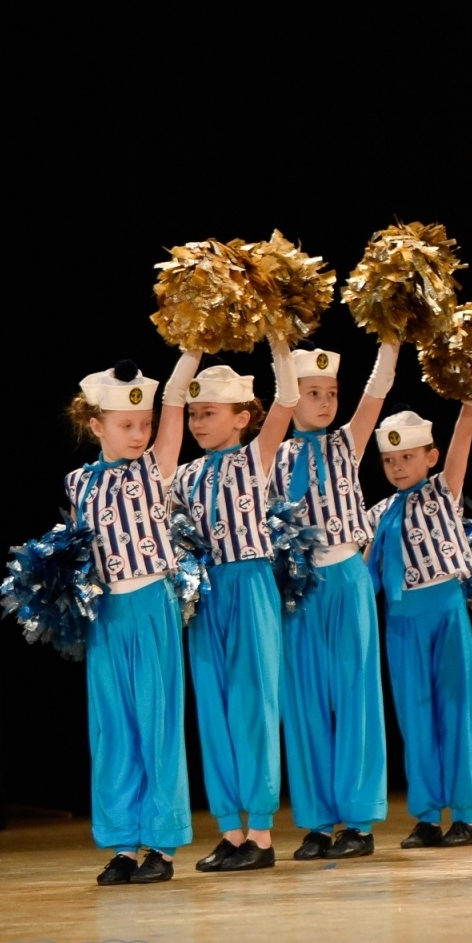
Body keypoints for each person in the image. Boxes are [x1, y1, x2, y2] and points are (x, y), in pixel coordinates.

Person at [68, 354, 198, 885]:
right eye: (126, 425)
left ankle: (161, 847)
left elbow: (173, 403)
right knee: (113, 730)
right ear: (96, 425)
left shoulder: (154, 468)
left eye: (143, 425)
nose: (139, 434)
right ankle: (123, 845)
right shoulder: (77, 482)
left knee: (157, 724)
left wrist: (190, 348)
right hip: (107, 617)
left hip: (151, 606)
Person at [173, 343, 299, 874]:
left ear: (243, 417)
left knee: (253, 705)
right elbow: (170, 402)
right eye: (195, 414)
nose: (199, 423)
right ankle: (229, 830)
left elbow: (288, 395)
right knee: (215, 709)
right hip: (206, 594)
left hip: (249, 584)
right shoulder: (180, 476)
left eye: (210, 414)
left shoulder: (255, 457)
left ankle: (263, 835)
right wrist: (190, 351)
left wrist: (274, 336)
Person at [271, 340, 397, 860]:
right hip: (298, 589)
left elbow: (377, 390)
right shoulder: (269, 455)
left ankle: (359, 821)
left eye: (331, 393)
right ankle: (319, 821)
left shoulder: (347, 442)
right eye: (312, 392)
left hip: (346, 577)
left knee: (354, 697)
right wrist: (279, 345)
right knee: (305, 703)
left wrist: (391, 339)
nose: (325, 402)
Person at [367, 405, 472, 849]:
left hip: (445, 610)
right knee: (415, 717)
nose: (398, 467)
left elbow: (464, 434)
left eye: (408, 457)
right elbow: (364, 569)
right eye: (390, 460)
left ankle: (465, 815)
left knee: (456, 710)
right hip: (400, 619)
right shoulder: (378, 511)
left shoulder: (444, 490)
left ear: (430, 457)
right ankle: (427, 816)